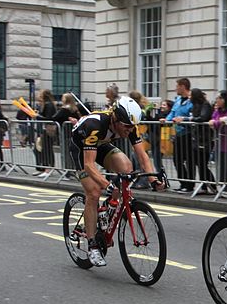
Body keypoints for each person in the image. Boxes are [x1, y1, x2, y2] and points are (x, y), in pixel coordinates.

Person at [69, 96, 162, 266]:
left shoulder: (130, 126)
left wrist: (153, 179)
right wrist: (107, 185)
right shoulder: (95, 125)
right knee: (94, 192)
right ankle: (92, 245)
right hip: (81, 148)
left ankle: (108, 208)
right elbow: (89, 165)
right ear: (116, 119)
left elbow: (142, 156)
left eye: (133, 126)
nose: (130, 130)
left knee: (126, 167)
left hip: (101, 144)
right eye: (126, 126)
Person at [164, 78, 194, 193]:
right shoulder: (177, 100)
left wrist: (183, 119)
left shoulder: (191, 100)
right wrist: (166, 120)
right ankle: (183, 183)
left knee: (190, 161)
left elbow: (192, 115)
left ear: (183, 86)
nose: (175, 88)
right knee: (177, 160)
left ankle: (190, 185)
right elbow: (172, 113)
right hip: (178, 134)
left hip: (189, 134)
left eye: (177, 86)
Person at [186, 88, 216, 193]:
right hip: (197, 139)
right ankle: (204, 187)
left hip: (205, 139)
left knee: (203, 164)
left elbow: (203, 118)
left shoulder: (205, 105)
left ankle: (212, 185)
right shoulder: (195, 106)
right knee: (199, 164)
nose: (189, 97)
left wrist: (191, 119)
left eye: (191, 95)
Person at [210, 89, 227, 197]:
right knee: (221, 165)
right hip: (220, 142)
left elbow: (223, 123)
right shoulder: (219, 110)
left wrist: (216, 123)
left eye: (219, 98)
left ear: (224, 99)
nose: (217, 100)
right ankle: (223, 185)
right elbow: (213, 118)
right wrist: (216, 122)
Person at [34, 89, 56, 177]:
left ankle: (48, 169)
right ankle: (44, 168)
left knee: (47, 149)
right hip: (46, 129)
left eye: (40, 95)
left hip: (49, 129)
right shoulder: (46, 105)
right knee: (43, 149)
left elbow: (48, 118)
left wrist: (37, 117)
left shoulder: (49, 105)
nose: (38, 96)